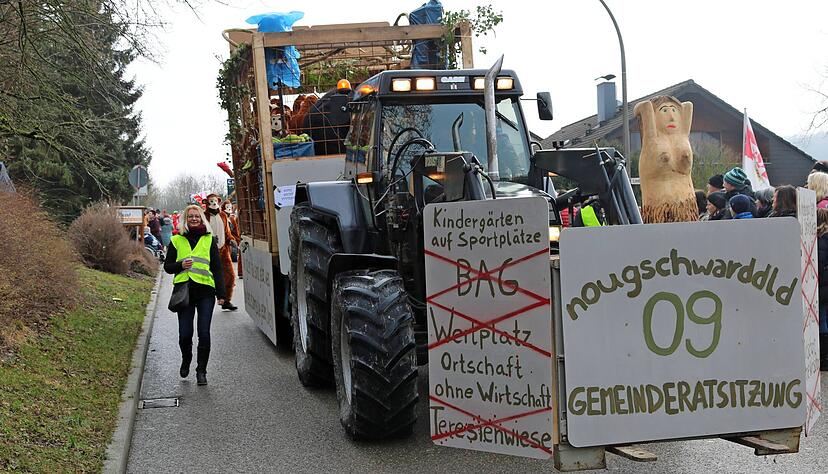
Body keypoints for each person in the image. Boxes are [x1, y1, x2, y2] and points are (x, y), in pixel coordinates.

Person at [164, 205, 226, 386]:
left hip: (206, 291)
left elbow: (217, 268)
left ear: (201, 218)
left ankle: (201, 371)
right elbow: (167, 267)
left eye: (197, 216)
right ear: (185, 219)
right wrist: (180, 265)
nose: (193, 219)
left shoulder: (209, 240)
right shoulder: (176, 240)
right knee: (185, 334)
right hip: (184, 293)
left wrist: (222, 294)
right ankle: (186, 359)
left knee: (204, 333)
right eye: (190, 216)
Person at [817, 208, 828, 371]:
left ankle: (824, 356)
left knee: (821, 320)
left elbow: (818, 264)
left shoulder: (821, 240)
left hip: (823, 285)